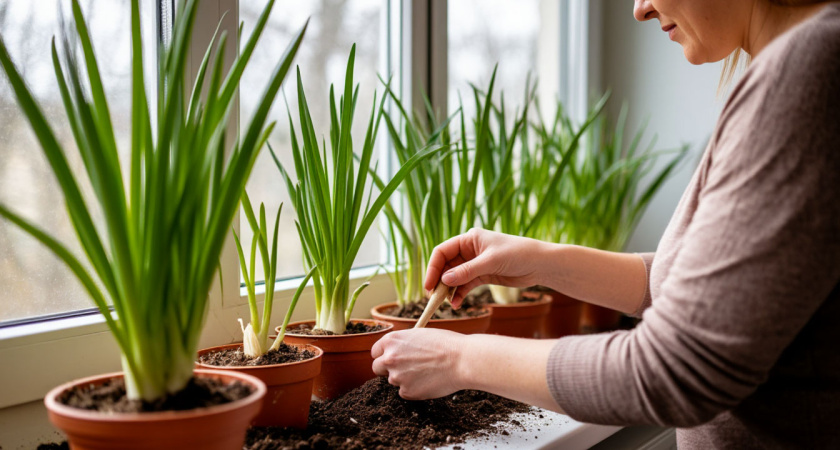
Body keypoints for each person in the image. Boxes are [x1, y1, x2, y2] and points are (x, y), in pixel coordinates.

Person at [371, 1, 840, 447]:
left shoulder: (806, 70)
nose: (640, 9)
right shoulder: (804, 58)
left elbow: (675, 369)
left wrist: (459, 358)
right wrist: (540, 262)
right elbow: (720, 299)